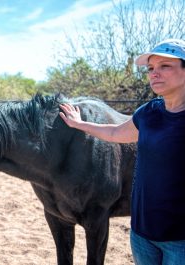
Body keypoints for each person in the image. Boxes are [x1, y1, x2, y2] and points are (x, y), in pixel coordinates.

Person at [59, 39, 185, 265]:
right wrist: (80, 124)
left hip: (180, 239)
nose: (154, 74)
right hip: (142, 233)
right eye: (150, 68)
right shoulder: (149, 112)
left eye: (165, 66)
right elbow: (116, 133)